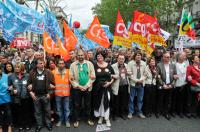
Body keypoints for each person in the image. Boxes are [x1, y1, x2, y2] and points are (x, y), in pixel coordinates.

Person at [69, 49, 95, 128]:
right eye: (79, 55)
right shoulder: (73, 65)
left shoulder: (89, 64)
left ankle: (88, 119)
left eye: (82, 55)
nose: (80, 56)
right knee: (77, 105)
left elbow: (93, 76)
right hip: (77, 89)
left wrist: (86, 86)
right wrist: (79, 86)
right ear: (77, 56)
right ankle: (77, 120)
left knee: (88, 104)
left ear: (84, 55)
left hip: (87, 88)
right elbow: (71, 78)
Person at [27, 58, 55, 132]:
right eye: (40, 63)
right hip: (36, 95)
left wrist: (50, 93)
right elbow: (28, 84)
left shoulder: (48, 72)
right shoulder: (32, 73)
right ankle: (39, 125)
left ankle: (48, 124)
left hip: (45, 95)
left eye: (43, 63)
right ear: (36, 65)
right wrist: (31, 93)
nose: (42, 64)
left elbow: (53, 84)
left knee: (47, 111)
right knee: (37, 112)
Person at [93, 51, 115, 127]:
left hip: (107, 88)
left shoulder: (109, 65)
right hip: (98, 88)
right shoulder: (94, 65)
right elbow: (92, 76)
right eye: (98, 56)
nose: (99, 57)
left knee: (106, 102)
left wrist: (109, 83)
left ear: (104, 57)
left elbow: (113, 76)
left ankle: (107, 118)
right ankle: (101, 117)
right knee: (99, 102)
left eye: (101, 56)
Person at [8, 63, 32, 131]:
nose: (16, 68)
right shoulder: (11, 76)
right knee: (19, 112)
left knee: (26, 112)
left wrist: (31, 85)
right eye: (15, 67)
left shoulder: (27, 75)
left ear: (22, 68)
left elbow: (31, 84)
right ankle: (21, 125)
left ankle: (27, 124)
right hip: (16, 98)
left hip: (26, 97)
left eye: (18, 67)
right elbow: (9, 87)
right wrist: (12, 90)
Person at [156, 51, 178, 120]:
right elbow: (157, 76)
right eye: (166, 57)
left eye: (168, 57)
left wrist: (172, 84)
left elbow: (175, 76)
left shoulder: (173, 65)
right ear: (163, 57)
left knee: (168, 100)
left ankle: (166, 113)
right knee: (160, 99)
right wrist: (163, 84)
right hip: (162, 85)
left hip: (170, 85)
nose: (167, 58)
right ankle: (158, 112)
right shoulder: (159, 65)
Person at [127, 51, 147, 119]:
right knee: (131, 99)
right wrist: (136, 80)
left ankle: (139, 112)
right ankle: (130, 112)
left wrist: (141, 79)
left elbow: (145, 73)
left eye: (140, 55)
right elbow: (129, 73)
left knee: (140, 99)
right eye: (137, 55)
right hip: (133, 84)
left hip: (141, 84)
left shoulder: (144, 63)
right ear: (134, 56)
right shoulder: (130, 63)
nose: (139, 56)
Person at [52, 59, 71, 128]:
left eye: (62, 63)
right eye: (60, 63)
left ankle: (67, 121)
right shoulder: (53, 72)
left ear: (64, 64)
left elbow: (72, 81)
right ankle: (60, 120)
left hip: (66, 93)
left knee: (66, 108)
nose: (61, 65)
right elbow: (51, 82)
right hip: (58, 94)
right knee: (59, 109)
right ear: (57, 64)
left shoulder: (68, 71)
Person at [111, 54, 129, 120]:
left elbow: (129, 74)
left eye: (122, 59)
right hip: (116, 86)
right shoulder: (113, 66)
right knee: (115, 101)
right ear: (117, 59)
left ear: (124, 59)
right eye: (120, 58)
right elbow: (109, 74)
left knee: (123, 101)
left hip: (125, 85)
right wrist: (113, 76)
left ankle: (121, 114)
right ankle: (114, 114)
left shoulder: (127, 66)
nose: (121, 60)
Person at [173, 52, 187, 118]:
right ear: (179, 57)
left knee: (181, 99)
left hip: (183, 84)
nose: (185, 57)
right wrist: (174, 76)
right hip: (176, 84)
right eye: (183, 56)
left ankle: (180, 112)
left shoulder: (185, 64)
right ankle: (173, 111)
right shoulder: (174, 64)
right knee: (174, 98)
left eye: (185, 56)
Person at [0, 64, 12, 132]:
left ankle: (9, 126)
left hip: (6, 97)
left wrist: (11, 87)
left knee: (8, 113)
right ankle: (0, 127)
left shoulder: (6, 76)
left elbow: (11, 84)